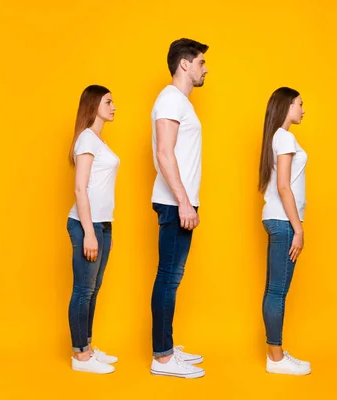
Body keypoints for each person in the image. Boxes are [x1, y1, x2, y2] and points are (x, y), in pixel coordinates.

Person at [149, 38, 209, 379]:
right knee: (168, 279)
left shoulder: (179, 102)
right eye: (201, 62)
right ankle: (163, 357)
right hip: (175, 203)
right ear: (184, 64)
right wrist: (184, 202)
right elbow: (164, 152)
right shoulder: (171, 99)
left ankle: (167, 347)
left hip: (179, 201)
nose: (205, 69)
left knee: (172, 277)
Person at [258, 87, 312, 376]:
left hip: (276, 219)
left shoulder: (276, 137)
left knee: (275, 290)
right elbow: (283, 185)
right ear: (288, 105)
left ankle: (275, 354)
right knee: (278, 291)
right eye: (300, 104)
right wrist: (298, 228)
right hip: (284, 221)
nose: (303, 109)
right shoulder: (286, 137)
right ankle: (276, 359)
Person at [67, 85, 120, 374]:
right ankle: (80, 357)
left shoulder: (98, 140)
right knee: (83, 290)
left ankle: (87, 346)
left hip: (102, 224)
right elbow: (79, 187)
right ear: (93, 105)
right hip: (87, 225)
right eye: (108, 101)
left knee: (93, 289)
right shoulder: (87, 139)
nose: (114, 106)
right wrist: (88, 231)